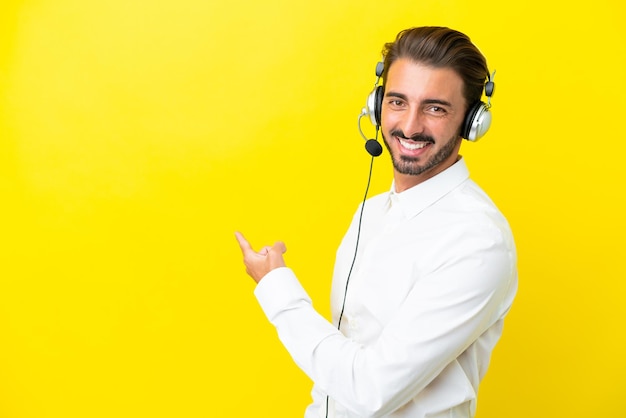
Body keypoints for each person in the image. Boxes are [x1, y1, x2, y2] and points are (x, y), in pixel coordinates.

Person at [235, 26, 517, 418]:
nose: (411, 126)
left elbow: (370, 391)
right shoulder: (372, 212)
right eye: (398, 102)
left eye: (436, 108)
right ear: (376, 104)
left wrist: (277, 290)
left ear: (472, 121)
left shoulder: (477, 240)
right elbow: (335, 381)